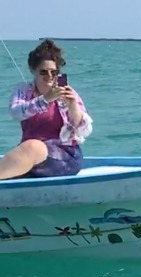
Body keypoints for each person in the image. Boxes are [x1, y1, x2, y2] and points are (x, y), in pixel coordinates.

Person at [0, 38, 93, 180]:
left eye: (54, 72)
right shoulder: (23, 91)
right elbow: (16, 112)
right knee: (29, 148)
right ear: (33, 70)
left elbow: (82, 129)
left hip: (64, 156)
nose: (49, 77)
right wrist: (44, 100)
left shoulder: (67, 93)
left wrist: (73, 106)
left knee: (32, 147)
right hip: (32, 155)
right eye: (44, 72)